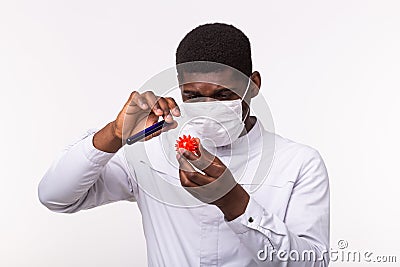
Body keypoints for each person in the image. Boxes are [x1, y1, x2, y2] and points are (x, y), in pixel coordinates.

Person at [38, 23, 330, 266]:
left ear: (253, 85)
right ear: (179, 87)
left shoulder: (299, 163)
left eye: (222, 94)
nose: (208, 106)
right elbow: (56, 196)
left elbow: (313, 262)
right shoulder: (149, 149)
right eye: (192, 96)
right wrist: (114, 134)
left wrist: (234, 203)